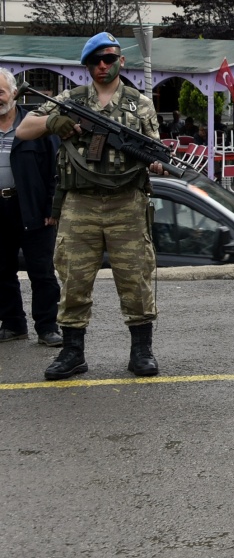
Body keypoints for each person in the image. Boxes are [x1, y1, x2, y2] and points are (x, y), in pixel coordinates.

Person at [15, 33, 166, 380]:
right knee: (73, 280)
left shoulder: (140, 103)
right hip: (80, 204)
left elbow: (154, 148)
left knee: (135, 278)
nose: (103, 65)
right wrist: (53, 121)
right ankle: (72, 352)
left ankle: (141, 350)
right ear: (87, 64)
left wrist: (156, 164)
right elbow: (24, 129)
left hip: (127, 202)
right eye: (95, 60)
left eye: (109, 59)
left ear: (121, 61)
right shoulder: (70, 99)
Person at [0, 69, 62, 349]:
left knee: (42, 271)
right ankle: (13, 324)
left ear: (14, 93)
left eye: (1, 92)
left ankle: (47, 327)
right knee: (2, 271)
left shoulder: (35, 124)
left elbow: (56, 167)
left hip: (34, 208)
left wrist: (52, 206)